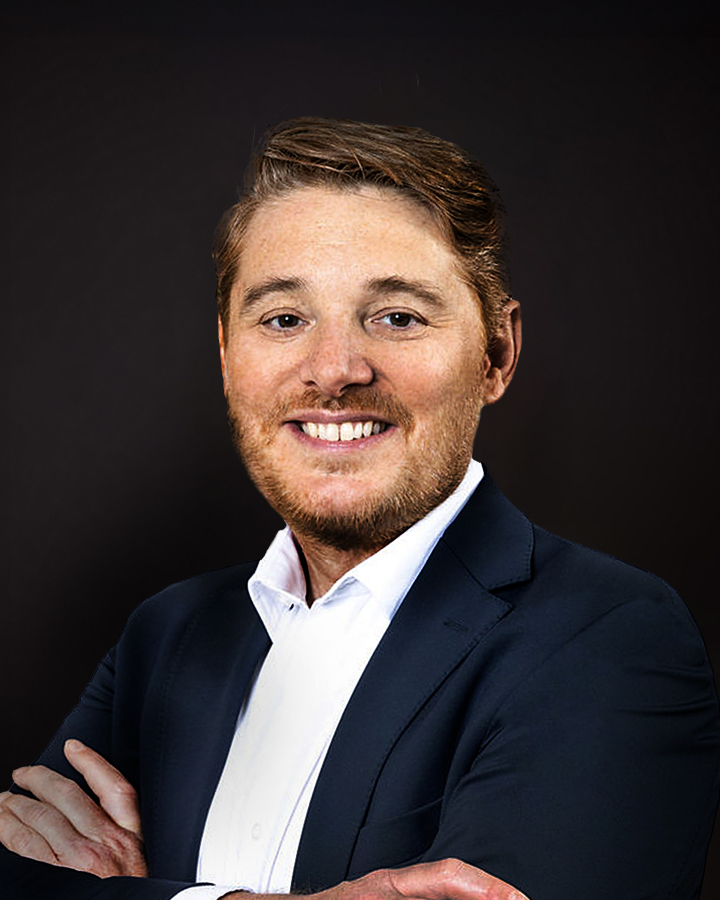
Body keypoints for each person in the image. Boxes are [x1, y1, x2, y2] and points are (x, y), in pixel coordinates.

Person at [0, 117, 718, 900]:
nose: (335, 370)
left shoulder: (610, 640)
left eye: (398, 317)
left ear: (496, 355)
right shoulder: (166, 636)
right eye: (284, 319)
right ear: (227, 354)